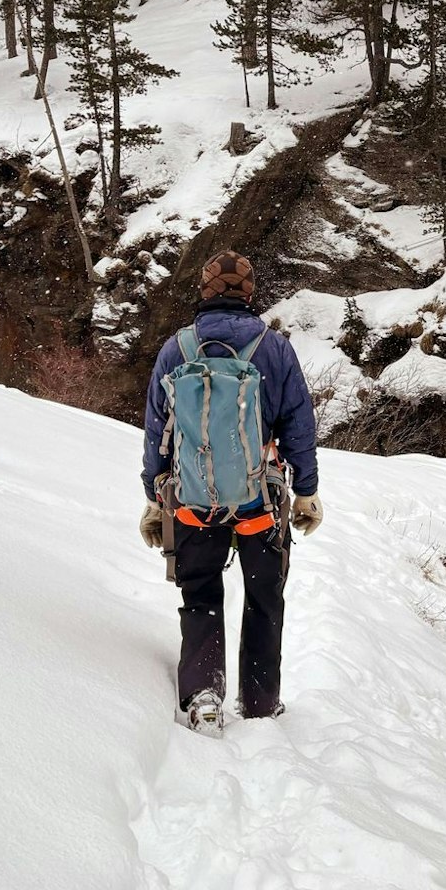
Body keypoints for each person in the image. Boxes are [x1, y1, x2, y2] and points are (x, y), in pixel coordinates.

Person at [140, 250, 323, 733]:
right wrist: (305, 490)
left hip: (193, 501)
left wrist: (154, 499)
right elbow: (298, 425)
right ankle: (261, 703)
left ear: (204, 290)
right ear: (249, 293)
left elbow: (157, 431)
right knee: (265, 599)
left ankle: (203, 694)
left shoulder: (175, 349)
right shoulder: (274, 348)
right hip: (260, 502)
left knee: (200, 595)